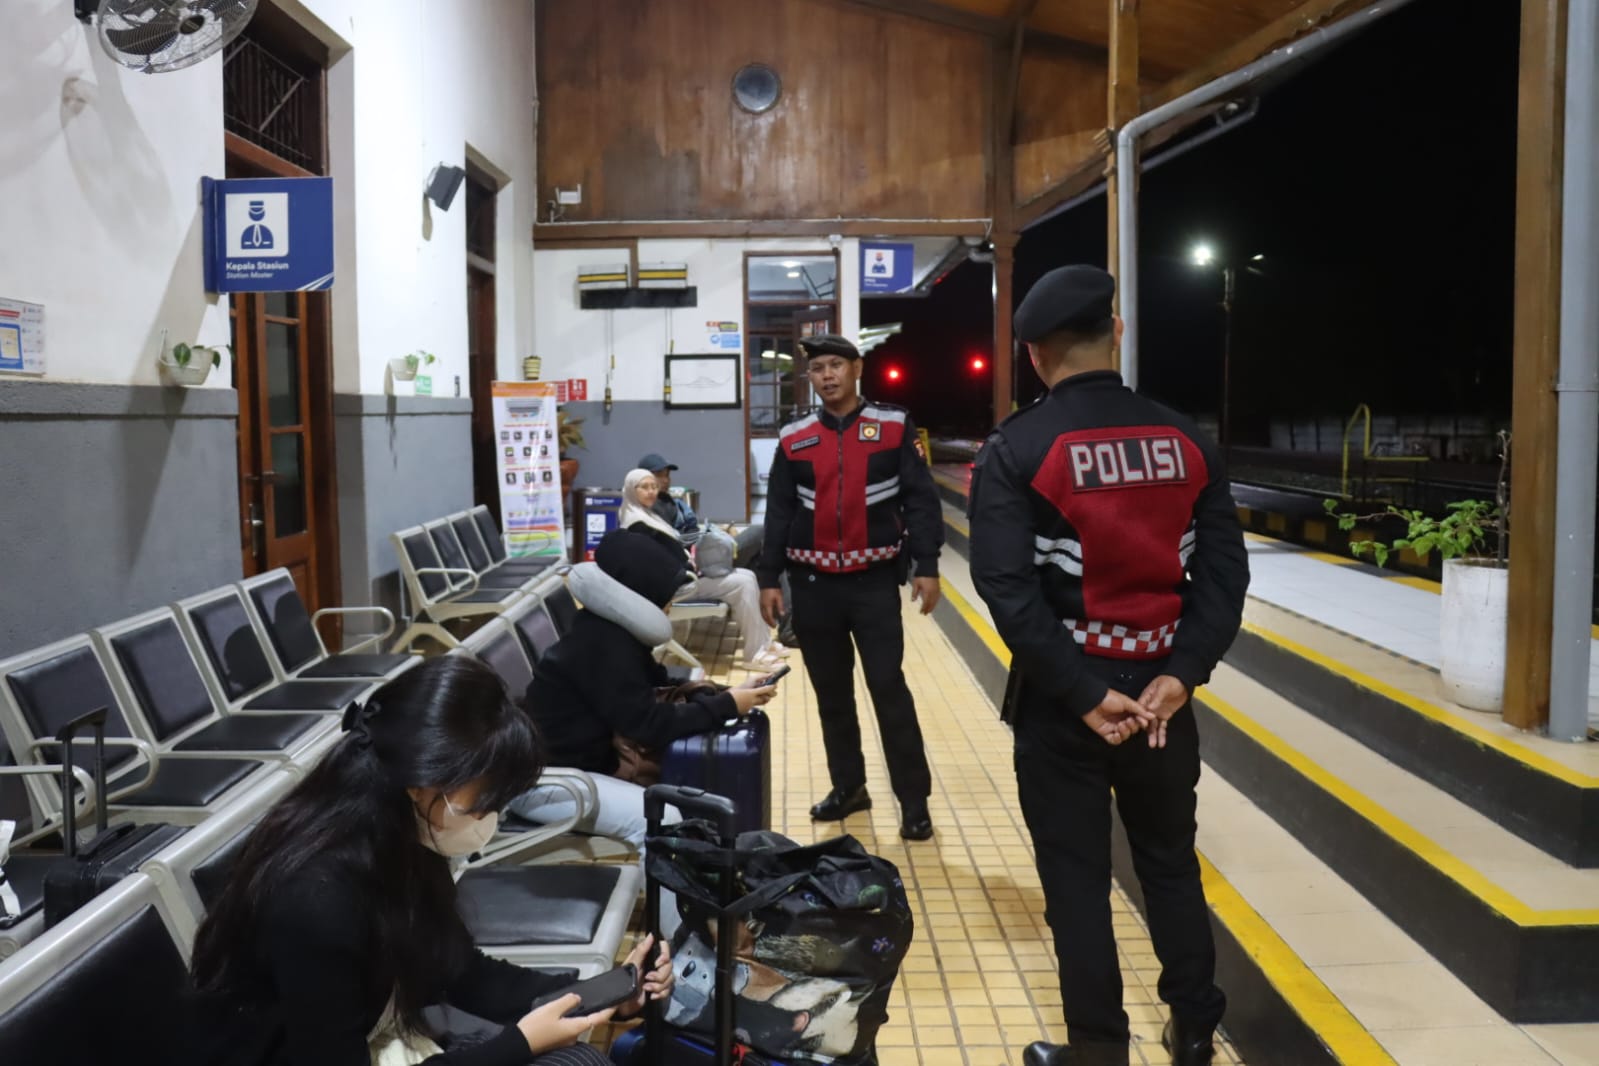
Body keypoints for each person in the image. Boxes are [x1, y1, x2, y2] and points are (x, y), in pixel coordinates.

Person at [967, 265, 1249, 1066]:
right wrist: (1182, 674)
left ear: (1032, 353)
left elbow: (1007, 590)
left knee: (1076, 881)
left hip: (1066, 703)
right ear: (1115, 333)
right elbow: (1224, 578)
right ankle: (1194, 1028)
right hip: (1163, 699)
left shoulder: (1017, 447)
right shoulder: (1188, 440)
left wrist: (1083, 692)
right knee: (1168, 863)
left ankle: (1098, 1051)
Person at [186, 655, 675, 1066]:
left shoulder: (402, 839)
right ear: (423, 786)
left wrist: (601, 995)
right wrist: (519, 1043)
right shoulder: (315, 897)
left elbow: (462, 971)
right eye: (485, 801)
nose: (491, 817)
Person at [755, 333, 942, 842]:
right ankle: (849, 787)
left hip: (874, 584)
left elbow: (921, 499)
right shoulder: (794, 437)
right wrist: (769, 577)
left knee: (889, 691)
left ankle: (914, 801)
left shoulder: (893, 425)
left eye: (836, 365)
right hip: (813, 587)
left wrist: (927, 563)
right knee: (832, 696)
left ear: (857, 368)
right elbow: (778, 510)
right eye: (818, 369)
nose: (827, 376)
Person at [508, 528, 777, 851]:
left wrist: (726, 694)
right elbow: (647, 725)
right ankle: (669, 902)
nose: (667, 610)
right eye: (664, 602)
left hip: (576, 771)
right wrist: (727, 706)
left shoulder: (609, 631)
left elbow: (656, 681)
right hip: (547, 783)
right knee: (663, 817)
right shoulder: (600, 646)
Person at [620, 468, 787, 670]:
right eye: (644, 487)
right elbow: (656, 563)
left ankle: (762, 646)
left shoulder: (645, 515)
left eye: (654, 487)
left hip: (680, 578)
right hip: (671, 588)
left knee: (747, 576)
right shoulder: (638, 525)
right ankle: (755, 654)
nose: (651, 492)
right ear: (630, 489)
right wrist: (688, 567)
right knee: (742, 582)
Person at [636, 452, 702, 545]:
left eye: (667, 475)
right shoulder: (642, 506)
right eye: (659, 475)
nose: (666, 480)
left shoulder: (669, 501)